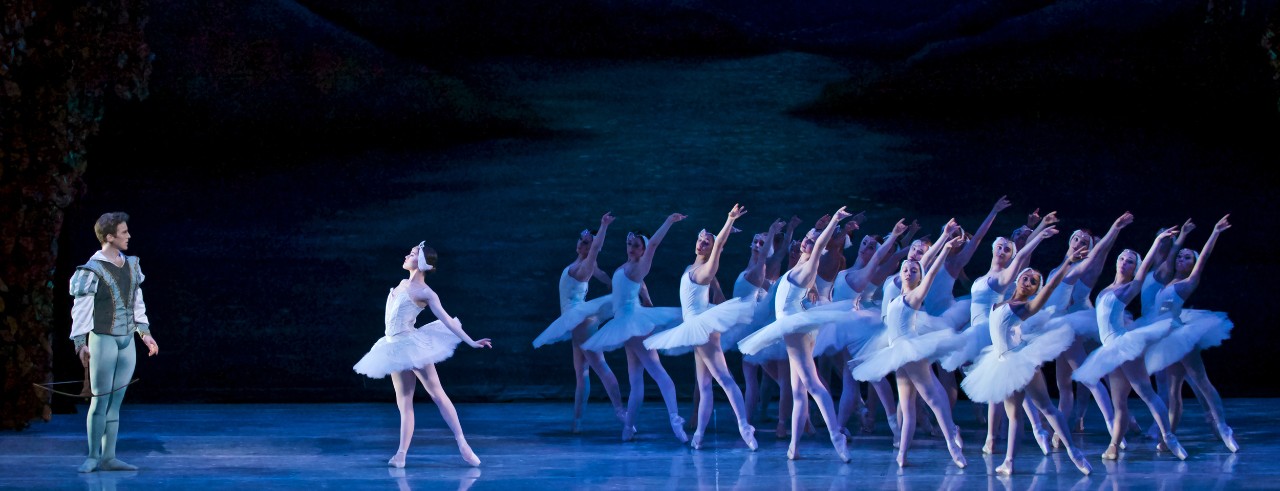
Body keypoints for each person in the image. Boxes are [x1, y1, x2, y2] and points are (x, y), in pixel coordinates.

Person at [354, 243, 493, 467]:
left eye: (412, 254)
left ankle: (462, 442)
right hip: (393, 346)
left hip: (412, 344)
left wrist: (471, 342)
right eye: (408, 252)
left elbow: (447, 320)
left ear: (422, 263)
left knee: (437, 393)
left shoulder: (425, 292)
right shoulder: (401, 284)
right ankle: (401, 454)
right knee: (404, 402)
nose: (407, 255)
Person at [960, 250, 1094, 475]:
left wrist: (1068, 261)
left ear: (1035, 290)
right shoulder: (999, 303)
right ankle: (1009, 462)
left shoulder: (1025, 307)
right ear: (1017, 280)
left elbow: (1050, 287)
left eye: (1034, 282)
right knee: (1013, 416)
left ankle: (1073, 451)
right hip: (1001, 362)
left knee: (1047, 408)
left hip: (1020, 361)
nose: (1029, 282)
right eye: (1026, 278)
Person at [738, 207, 856, 462]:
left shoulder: (808, 266)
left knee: (812, 384)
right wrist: (815, 228)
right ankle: (794, 445)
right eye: (806, 239)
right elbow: (813, 239)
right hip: (797, 326)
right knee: (798, 390)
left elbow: (821, 243)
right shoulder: (798, 266)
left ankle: (836, 436)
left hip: (795, 328)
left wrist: (834, 220)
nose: (807, 242)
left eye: (811, 242)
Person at [645, 204, 758, 450]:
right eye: (700, 240)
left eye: (706, 243)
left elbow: (718, 248)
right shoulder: (691, 268)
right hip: (696, 328)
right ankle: (699, 434)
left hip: (702, 329)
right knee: (705, 385)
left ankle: (744, 426)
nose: (701, 244)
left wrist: (728, 221)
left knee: (724, 379)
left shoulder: (707, 270)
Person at [851, 235, 969, 469]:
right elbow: (888, 316)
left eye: (914, 270)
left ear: (919, 276)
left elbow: (931, 272)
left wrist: (944, 249)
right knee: (906, 407)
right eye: (906, 269)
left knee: (933, 399)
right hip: (897, 353)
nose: (908, 272)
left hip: (911, 351)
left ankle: (952, 445)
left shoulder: (915, 297)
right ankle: (902, 453)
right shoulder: (897, 297)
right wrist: (861, 309)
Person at [1072, 225, 1188, 461]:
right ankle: (1114, 444)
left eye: (1130, 262)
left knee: (1146, 392)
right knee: (1119, 403)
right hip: (1109, 351)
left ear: (1134, 268)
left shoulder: (1128, 288)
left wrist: (1157, 243)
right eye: (1122, 259)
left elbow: (1144, 269)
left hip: (1123, 347)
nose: (1124, 263)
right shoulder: (1106, 288)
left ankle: (1169, 437)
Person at [581, 213, 688, 443]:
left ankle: (675, 419)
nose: (631, 248)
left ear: (643, 249)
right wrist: (648, 301)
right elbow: (641, 288)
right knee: (636, 381)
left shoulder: (640, 265)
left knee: (657, 371)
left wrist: (668, 221)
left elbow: (655, 244)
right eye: (629, 244)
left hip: (634, 326)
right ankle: (628, 427)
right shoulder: (627, 266)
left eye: (636, 246)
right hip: (626, 325)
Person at [68, 212, 159, 473]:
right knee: (100, 400)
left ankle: (109, 456)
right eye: (123, 232)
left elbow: (136, 302)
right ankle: (93, 456)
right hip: (103, 339)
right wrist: (80, 342)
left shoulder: (131, 264)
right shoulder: (91, 269)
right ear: (109, 237)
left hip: (127, 340)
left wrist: (145, 334)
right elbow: (82, 308)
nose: (129, 236)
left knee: (116, 402)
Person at [1142, 215, 1237, 452]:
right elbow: (1166, 257)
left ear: (1192, 265)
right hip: (1164, 339)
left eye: (1187, 258)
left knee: (1201, 382)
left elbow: (1203, 257)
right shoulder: (1165, 281)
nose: (1182, 259)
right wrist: (1179, 237)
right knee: (1173, 392)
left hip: (1179, 336)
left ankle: (1224, 427)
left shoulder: (1187, 282)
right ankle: (1169, 435)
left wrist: (1214, 232)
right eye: (1181, 256)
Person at [532, 213, 627, 432]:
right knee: (581, 374)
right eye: (581, 241)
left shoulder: (584, 268)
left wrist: (603, 226)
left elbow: (595, 254)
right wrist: (613, 283)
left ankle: (622, 413)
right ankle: (577, 423)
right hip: (576, 324)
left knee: (600, 367)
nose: (582, 245)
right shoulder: (584, 267)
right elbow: (602, 274)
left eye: (587, 244)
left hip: (581, 322)